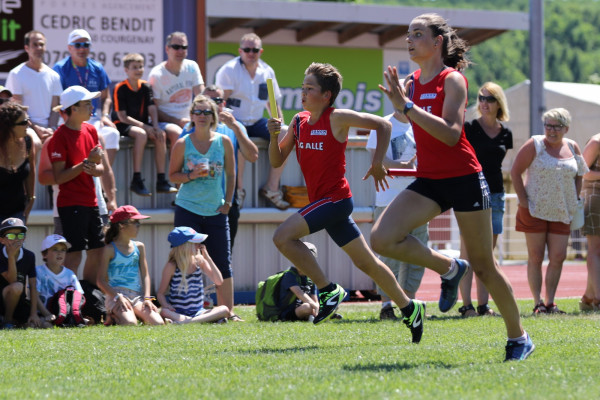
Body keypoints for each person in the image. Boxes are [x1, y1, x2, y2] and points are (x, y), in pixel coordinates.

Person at [371, 13, 533, 361]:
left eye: (417, 33)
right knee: (381, 238)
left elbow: (450, 134)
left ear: (437, 42)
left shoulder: (453, 80)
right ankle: (450, 267)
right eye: (408, 33)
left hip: (464, 178)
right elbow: (404, 122)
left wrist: (408, 107)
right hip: (430, 179)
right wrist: (400, 111)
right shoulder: (411, 83)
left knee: (484, 265)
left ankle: (519, 338)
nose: (409, 39)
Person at [266, 62, 425, 343]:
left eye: (309, 88)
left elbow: (384, 124)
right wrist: (273, 135)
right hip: (324, 203)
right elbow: (277, 160)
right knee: (368, 263)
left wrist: (378, 163)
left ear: (326, 95)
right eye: (302, 88)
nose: (303, 93)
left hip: (336, 200)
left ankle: (327, 289)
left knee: (282, 236)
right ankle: (410, 308)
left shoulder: (337, 118)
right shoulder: (299, 122)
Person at [168, 95, 239, 321]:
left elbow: (231, 174)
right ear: (191, 116)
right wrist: (191, 175)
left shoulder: (223, 141)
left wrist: (228, 203)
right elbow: (172, 176)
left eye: (206, 112)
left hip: (215, 211)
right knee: (183, 261)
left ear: (213, 117)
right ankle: (180, 310)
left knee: (222, 262)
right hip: (187, 209)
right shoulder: (183, 143)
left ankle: (228, 312)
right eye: (197, 112)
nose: (201, 116)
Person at [511, 108, 587, 315]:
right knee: (536, 257)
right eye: (548, 125)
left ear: (566, 128)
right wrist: (523, 201)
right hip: (534, 210)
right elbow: (515, 171)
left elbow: (580, 174)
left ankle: (551, 302)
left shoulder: (572, 146)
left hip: (562, 211)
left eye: (557, 126)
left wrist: (575, 199)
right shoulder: (534, 144)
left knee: (558, 256)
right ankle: (538, 303)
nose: (551, 130)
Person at [365, 110, 428, 320]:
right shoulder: (383, 124)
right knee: (387, 253)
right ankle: (386, 306)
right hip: (388, 199)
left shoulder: (422, 123)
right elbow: (376, 160)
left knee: (418, 252)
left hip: (419, 199)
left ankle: (410, 305)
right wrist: (403, 167)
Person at [216, 33, 289, 210]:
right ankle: (238, 191)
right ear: (240, 51)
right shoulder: (229, 69)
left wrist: (279, 123)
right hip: (235, 121)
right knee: (240, 136)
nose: (251, 53)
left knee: (286, 133)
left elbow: (273, 103)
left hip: (256, 121)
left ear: (260, 52)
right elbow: (220, 102)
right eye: (247, 50)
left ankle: (272, 189)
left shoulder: (267, 71)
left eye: (254, 50)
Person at [458, 82, 513, 318]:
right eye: (481, 98)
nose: (484, 103)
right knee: (468, 252)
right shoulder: (469, 128)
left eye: (490, 99)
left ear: (499, 103)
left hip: (496, 194)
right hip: (471, 192)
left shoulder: (506, 133)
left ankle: (483, 306)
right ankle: (466, 306)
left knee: (487, 256)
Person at [48, 86, 105, 281]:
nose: (92, 107)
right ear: (73, 108)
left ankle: (87, 293)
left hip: (92, 202)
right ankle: (68, 296)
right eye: (87, 103)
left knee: (97, 251)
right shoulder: (59, 136)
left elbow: (100, 168)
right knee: (74, 255)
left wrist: (92, 167)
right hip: (71, 204)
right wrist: (87, 163)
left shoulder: (91, 130)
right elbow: (59, 177)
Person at [192, 86, 258, 248]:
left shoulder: (235, 126)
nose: (213, 105)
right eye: (208, 101)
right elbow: (176, 169)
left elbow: (252, 156)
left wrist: (235, 127)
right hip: (195, 203)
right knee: (192, 257)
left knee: (223, 258)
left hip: (225, 204)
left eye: (217, 100)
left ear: (224, 103)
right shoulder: (191, 127)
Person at [52, 29, 120, 165]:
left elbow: (106, 97)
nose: (82, 48)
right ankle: (89, 173)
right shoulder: (60, 68)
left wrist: (105, 116)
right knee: (95, 137)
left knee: (112, 134)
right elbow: (57, 100)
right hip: (69, 119)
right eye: (77, 45)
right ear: (69, 48)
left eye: (86, 45)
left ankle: (101, 176)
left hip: (92, 118)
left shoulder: (97, 67)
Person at [114, 53, 176, 196]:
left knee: (160, 135)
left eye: (141, 66)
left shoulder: (146, 86)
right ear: (126, 70)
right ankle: (136, 179)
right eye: (134, 67)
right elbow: (122, 117)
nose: (139, 70)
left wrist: (155, 126)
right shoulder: (120, 88)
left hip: (142, 124)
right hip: (123, 124)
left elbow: (152, 108)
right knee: (141, 134)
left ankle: (161, 180)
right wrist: (145, 127)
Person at [97, 205, 164, 326]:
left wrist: (147, 298)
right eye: (135, 222)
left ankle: (135, 314)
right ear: (122, 226)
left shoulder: (139, 247)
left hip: (137, 296)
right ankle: (114, 316)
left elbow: (145, 275)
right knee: (130, 323)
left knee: (158, 323)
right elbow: (100, 281)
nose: (139, 226)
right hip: (116, 296)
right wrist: (117, 297)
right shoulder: (109, 249)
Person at [157, 226, 230, 324]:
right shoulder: (172, 266)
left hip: (199, 312)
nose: (199, 245)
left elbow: (219, 281)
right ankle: (203, 320)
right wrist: (166, 305)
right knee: (164, 312)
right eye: (195, 243)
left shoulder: (199, 261)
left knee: (224, 309)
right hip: (178, 312)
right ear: (184, 246)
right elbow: (160, 293)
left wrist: (208, 258)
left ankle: (186, 322)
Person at [5, 30, 61, 154]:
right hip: (24, 127)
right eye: (35, 45)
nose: (39, 48)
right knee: (35, 143)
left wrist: (51, 129)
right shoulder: (16, 74)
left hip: (48, 129)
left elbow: (55, 108)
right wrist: (36, 128)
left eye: (41, 44)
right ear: (27, 48)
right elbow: (18, 109)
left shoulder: (54, 76)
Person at [148, 31, 204, 148]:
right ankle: (176, 161)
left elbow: (201, 97)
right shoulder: (156, 74)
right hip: (165, 122)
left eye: (184, 47)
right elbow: (153, 109)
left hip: (188, 120)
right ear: (167, 49)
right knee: (177, 132)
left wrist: (197, 116)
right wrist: (178, 121)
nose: (180, 51)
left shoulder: (192, 67)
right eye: (176, 47)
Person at [0, 218, 41, 329]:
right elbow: (12, 280)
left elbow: (33, 285)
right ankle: (7, 320)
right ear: (2, 240)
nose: (16, 239)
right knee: (17, 286)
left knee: (37, 324)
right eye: (11, 236)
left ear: (24, 238)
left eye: (20, 235)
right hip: (2, 301)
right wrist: (11, 257)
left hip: (19, 302)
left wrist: (34, 313)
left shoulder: (29, 256)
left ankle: (15, 321)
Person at [35, 234, 84, 326]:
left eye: (63, 250)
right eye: (55, 249)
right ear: (44, 254)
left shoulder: (70, 274)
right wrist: (47, 314)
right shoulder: (38, 271)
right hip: (43, 314)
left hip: (64, 315)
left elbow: (78, 296)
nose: (60, 253)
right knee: (46, 325)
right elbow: (34, 297)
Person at [0, 102, 36, 222]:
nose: (29, 124)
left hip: (18, 211)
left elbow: (31, 173)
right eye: (24, 122)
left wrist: (31, 199)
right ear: (9, 127)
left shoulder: (28, 141)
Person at [581, 133, 600, 311]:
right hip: (595, 196)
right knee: (595, 249)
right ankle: (598, 299)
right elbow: (582, 171)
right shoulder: (596, 142)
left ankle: (588, 297)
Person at [277, 241, 319, 322]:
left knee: (330, 304)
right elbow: (300, 293)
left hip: (305, 307)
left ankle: (314, 316)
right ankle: (312, 316)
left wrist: (317, 308)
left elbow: (315, 299)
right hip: (288, 312)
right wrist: (315, 307)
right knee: (308, 307)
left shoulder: (310, 277)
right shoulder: (290, 275)